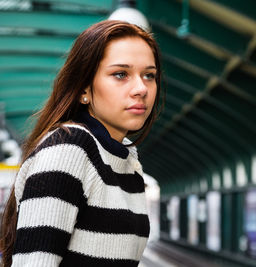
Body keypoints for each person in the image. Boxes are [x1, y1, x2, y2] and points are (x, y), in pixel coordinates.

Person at [0, 20, 163, 267]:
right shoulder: (69, 149)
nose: (141, 88)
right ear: (83, 88)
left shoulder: (127, 161)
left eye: (149, 75)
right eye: (121, 74)